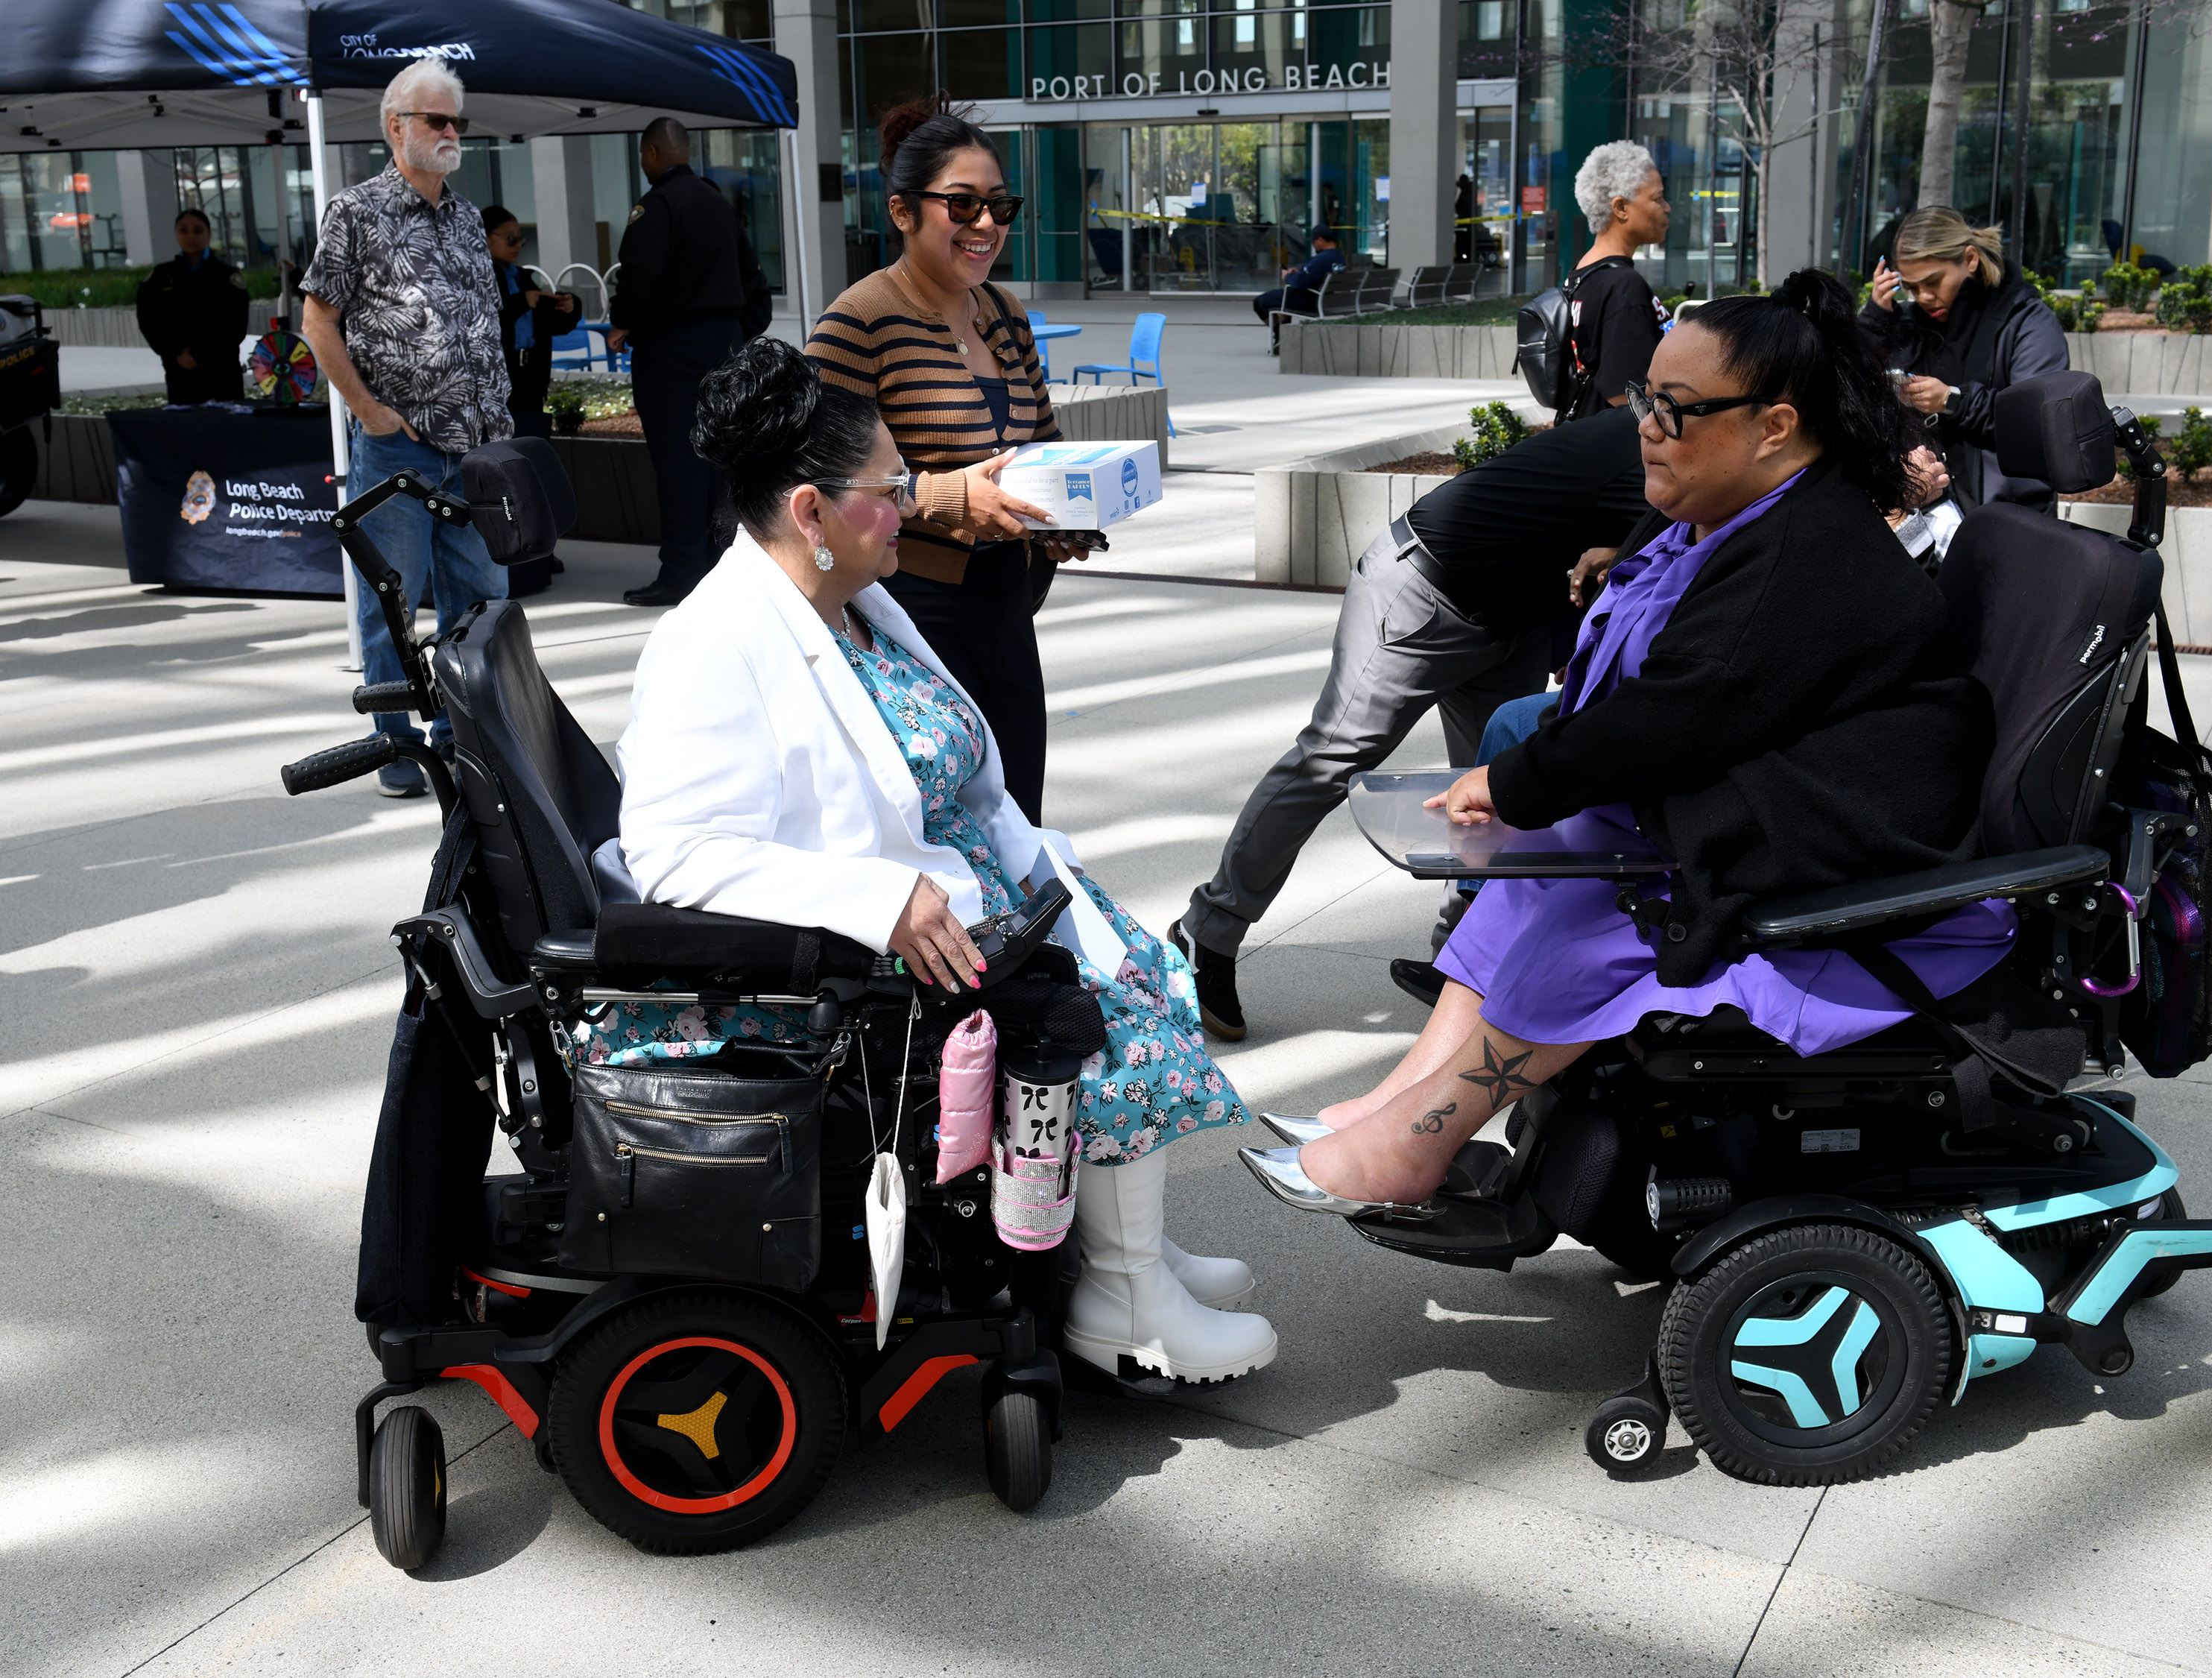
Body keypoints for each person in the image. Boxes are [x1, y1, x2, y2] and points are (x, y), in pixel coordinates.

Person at [1239, 271, 2000, 1216]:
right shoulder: (1736, 514)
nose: (1646, 422)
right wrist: (1529, 789)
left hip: (1851, 850)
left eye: (1676, 409)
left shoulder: (1807, 553)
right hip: (1780, 804)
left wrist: (1517, 782)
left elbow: (1675, 711)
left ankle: (1411, 1142)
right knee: (1547, 868)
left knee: (1599, 905)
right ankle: (1399, 1105)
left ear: (1774, 426)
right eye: (1646, 396)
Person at [613, 337, 1276, 1384]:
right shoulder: (714, 643)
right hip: (858, 952)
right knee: (1108, 1019)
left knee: (1141, 965)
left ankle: (1126, 1246)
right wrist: (876, 898)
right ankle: (1125, 1296)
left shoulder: (853, 601)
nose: (912, 503)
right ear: (809, 512)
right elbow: (668, 850)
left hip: (975, 889)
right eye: (890, 489)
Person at [1168, 409, 1654, 1041]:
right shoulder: (1650, 448)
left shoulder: (1674, 445)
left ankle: (1460, 958)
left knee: (1503, 787)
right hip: (1426, 591)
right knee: (1331, 759)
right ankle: (1209, 930)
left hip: (1515, 622)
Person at [806, 95, 1088, 826]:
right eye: (962, 206)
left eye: (1000, 205)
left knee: (1020, 814)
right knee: (944, 829)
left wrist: (1068, 512)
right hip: (909, 615)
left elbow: (1044, 441)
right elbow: (810, 478)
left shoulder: (1004, 312)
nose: (986, 225)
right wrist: (938, 496)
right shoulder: (857, 322)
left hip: (1008, 604)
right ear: (902, 213)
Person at [299, 57, 509, 800]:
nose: (452, 132)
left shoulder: (465, 216)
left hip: (478, 448)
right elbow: (317, 321)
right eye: (437, 120)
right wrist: (367, 409)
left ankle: (466, 741)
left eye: (458, 121)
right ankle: (393, 750)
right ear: (396, 127)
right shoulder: (356, 212)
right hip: (398, 449)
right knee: (391, 605)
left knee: (481, 606)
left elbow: (482, 321)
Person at [606, 116, 775, 608]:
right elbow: (754, 284)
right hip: (722, 345)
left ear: (654, 154)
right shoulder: (719, 205)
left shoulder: (656, 207)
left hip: (672, 351)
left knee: (679, 463)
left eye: (643, 155)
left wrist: (625, 322)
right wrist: (733, 333)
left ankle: (682, 572)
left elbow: (639, 281)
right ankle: (724, 567)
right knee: (720, 462)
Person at [1860, 206, 2069, 510]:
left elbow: (2036, 420)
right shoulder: (1905, 321)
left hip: (2010, 516)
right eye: (1912, 287)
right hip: (1930, 517)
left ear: (1970, 259)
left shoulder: (2027, 321)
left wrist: (1953, 400)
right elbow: (1857, 388)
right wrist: (1876, 319)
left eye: (1933, 282)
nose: (1923, 296)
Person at [1558, 141, 1672, 423]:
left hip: (1582, 435)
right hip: (1614, 452)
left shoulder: (1583, 274)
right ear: (1621, 207)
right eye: (1657, 199)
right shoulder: (1622, 286)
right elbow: (1627, 394)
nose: (1667, 208)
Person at [481, 206, 580, 438]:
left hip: (530, 378)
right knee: (498, 450)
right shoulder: (477, 278)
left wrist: (570, 306)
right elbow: (483, 322)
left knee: (529, 449)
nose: (517, 245)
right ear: (485, 238)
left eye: (519, 239)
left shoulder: (521, 277)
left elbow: (553, 325)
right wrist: (521, 302)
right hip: (497, 380)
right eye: (509, 239)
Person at [136, 209, 250, 406]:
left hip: (221, 375)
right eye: (184, 230)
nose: (191, 236)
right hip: (180, 373)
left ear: (209, 234)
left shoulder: (227, 276)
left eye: (198, 230)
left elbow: (235, 325)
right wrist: (176, 355)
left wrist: (199, 355)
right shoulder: (161, 276)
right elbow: (148, 320)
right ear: (176, 234)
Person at [1254, 225, 1344, 351]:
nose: (1314, 245)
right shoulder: (1339, 257)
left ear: (1320, 240)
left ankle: (1281, 337)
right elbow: (1310, 277)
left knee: (1260, 302)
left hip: (1309, 301)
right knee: (1281, 300)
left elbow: (1300, 283)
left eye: (1314, 241)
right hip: (1326, 300)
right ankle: (1282, 340)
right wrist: (1298, 274)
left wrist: (1287, 276)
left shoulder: (1321, 259)